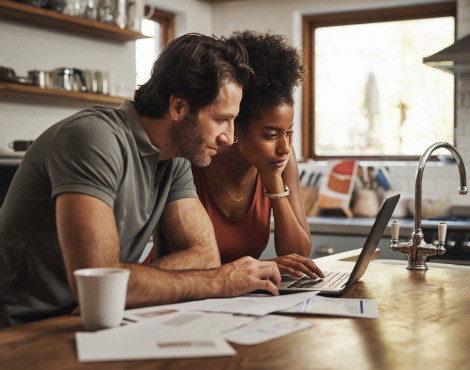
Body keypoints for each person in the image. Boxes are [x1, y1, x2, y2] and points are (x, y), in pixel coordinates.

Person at [0, 33, 281, 328]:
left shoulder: (174, 159)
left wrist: (127, 287)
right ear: (178, 107)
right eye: (222, 119)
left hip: (94, 319)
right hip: (20, 329)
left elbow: (204, 255)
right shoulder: (94, 139)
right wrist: (218, 282)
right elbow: (100, 283)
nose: (229, 137)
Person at [150, 30, 324, 280]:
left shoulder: (281, 160)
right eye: (270, 135)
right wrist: (263, 266)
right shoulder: (192, 157)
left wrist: (274, 181)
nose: (285, 147)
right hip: (174, 290)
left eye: (289, 132)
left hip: (238, 296)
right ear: (236, 126)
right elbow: (173, 258)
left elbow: (298, 255)